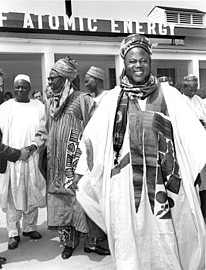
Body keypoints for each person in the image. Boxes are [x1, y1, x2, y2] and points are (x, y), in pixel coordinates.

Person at [74, 34, 206, 270]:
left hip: (164, 183)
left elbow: (192, 134)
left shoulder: (170, 95)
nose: (138, 65)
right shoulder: (114, 98)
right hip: (125, 184)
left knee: (166, 232)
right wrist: (82, 170)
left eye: (143, 60)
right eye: (133, 61)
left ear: (150, 62)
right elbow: (92, 140)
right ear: (124, 63)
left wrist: (196, 168)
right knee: (130, 233)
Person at [27, 56, 109, 260]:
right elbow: (44, 129)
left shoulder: (84, 99)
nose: (49, 82)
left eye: (52, 78)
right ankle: (68, 243)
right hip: (56, 165)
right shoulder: (49, 103)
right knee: (61, 203)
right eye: (48, 79)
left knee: (84, 200)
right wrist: (35, 145)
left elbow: (95, 131)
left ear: (64, 79)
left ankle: (92, 242)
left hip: (77, 165)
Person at [0, 74, 46, 251]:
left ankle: (30, 227)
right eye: (17, 87)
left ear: (29, 88)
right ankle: (12, 233)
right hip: (11, 161)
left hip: (32, 157)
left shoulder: (39, 106)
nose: (19, 90)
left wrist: (33, 147)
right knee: (12, 197)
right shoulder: (3, 109)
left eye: (23, 87)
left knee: (31, 193)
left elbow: (44, 131)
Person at [0, 67, 30, 269]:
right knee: (9, 201)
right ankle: (9, 238)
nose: (0, 91)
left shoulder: (38, 106)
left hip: (20, 161)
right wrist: (17, 153)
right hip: (9, 158)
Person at [182, 74, 206, 220]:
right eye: (191, 88)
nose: (193, 91)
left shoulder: (199, 101)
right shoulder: (179, 101)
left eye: (195, 88)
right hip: (187, 144)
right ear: (184, 87)